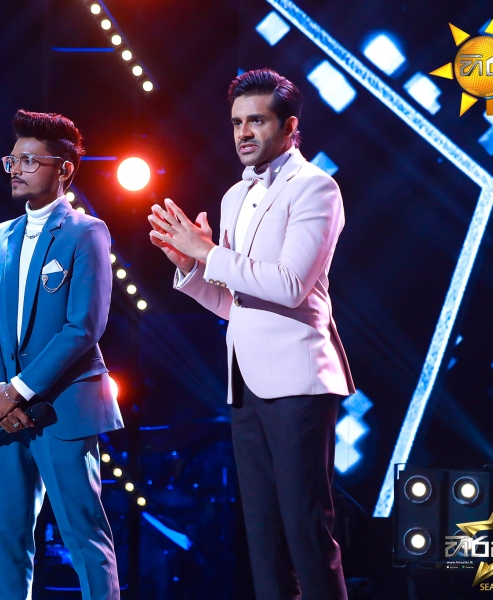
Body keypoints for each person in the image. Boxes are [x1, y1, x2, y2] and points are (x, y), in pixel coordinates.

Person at [148, 68, 355, 600]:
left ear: (290, 127)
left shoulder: (315, 188)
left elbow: (288, 285)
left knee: (305, 529)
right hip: (244, 383)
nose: (243, 132)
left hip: (299, 380)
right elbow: (236, 303)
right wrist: (191, 269)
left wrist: (209, 253)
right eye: (237, 122)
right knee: (263, 538)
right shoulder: (233, 197)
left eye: (256, 121)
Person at [0, 110, 123, 600]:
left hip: (65, 407)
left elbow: (83, 327)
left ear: (64, 170)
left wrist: (16, 390)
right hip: (6, 413)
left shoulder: (87, 231)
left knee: (83, 534)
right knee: (7, 538)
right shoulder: (0, 237)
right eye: (12, 160)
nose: (16, 169)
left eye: (29, 161)